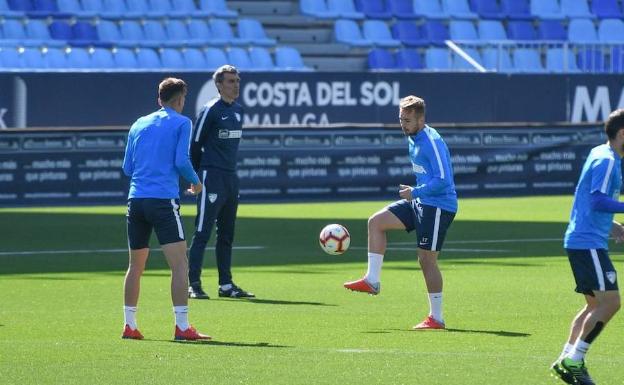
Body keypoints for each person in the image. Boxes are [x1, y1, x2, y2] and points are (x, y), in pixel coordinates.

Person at [343, 95, 458, 330]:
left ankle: (436, 318)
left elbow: (444, 180)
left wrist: (416, 192)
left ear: (421, 119)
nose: (402, 124)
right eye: (400, 119)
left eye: (407, 120)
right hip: (421, 200)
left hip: (438, 205)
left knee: (426, 260)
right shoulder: (412, 137)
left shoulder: (431, 142)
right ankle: (372, 280)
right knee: (376, 222)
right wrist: (416, 193)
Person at [121, 77, 210, 341]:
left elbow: (128, 167)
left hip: (136, 200)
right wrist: (196, 183)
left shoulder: (139, 123)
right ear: (181, 99)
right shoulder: (182, 122)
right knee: (180, 265)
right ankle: (182, 327)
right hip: (162, 201)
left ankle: (129, 325)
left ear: (159, 99)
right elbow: (181, 160)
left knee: (135, 266)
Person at [551, 109, 624, 385]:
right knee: (611, 302)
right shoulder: (607, 161)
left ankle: (565, 359)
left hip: (584, 240)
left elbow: (586, 198)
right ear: (622, 134)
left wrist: (613, 226)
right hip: (587, 243)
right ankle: (575, 359)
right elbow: (596, 200)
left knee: (594, 304)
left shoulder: (600, 153)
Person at [187, 65, 254, 299]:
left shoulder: (239, 110)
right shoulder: (210, 110)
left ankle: (226, 285)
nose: (235, 85)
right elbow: (195, 145)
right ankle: (193, 283)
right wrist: (195, 178)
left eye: (237, 80)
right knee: (203, 231)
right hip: (211, 176)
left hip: (230, 178)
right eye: (230, 81)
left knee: (227, 234)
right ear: (218, 85)